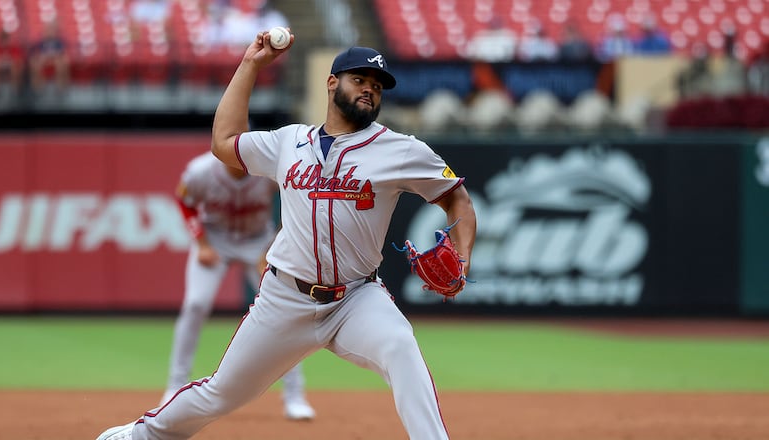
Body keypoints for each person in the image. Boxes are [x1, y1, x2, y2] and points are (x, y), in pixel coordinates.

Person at [96, 30, 477, 440]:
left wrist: (463, 254)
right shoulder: (288, 142)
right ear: (332, 83)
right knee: (221, 393)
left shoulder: (402, 150)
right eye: (359, 79)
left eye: (377, 85)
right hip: (285, 298)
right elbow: (224, 143)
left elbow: (459, 202)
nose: (369, 89)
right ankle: (140, 435)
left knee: (401, 347)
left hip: (356, 298)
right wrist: (251, 65)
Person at [161, 151, 315, 421]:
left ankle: (294, 395)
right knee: (196, 304)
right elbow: (184, 200)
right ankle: (175, 386)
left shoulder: (267, 170)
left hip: (258, 240)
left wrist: (271, 248)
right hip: (215, 237)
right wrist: (202, 242)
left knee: (286, 311)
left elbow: (299, 203)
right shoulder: (201, 171)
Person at [28, 20, 70, 94]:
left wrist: (52, 57)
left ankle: (60, 89)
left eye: (51, 30)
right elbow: (35, 54)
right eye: (47, 30)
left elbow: (62, 53)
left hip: (55, 60)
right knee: (37, 64)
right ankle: (38, 89)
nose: (49, 32)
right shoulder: (40, 43)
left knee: (60, 64)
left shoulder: (59, 42)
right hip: (43, 61)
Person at [0, 30, 25, 99]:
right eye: (2, 39)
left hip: (11, 71)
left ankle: (14, 93)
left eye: (5, 39)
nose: (4, 41)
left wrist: (9, 61)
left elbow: (19, 61)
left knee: (14, 67)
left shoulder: (15, 49)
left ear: (9, 39)